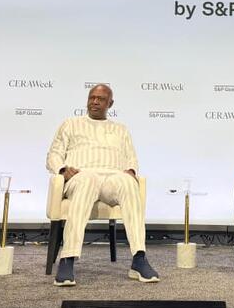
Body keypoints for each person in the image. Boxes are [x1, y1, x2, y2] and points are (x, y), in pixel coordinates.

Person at [46, 84, 159, 286]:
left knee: (129, 182)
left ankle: (139, 258)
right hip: (81, 176)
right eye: (92, 97)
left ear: (110, 104)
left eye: (101, 99)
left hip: (111, 178)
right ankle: (67, 259)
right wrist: (62, 169)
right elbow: (53, 154)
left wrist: (131, 171)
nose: (95, 102)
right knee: (88, 180)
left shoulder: (121, 129)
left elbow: (131, 158)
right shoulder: (70, 124)